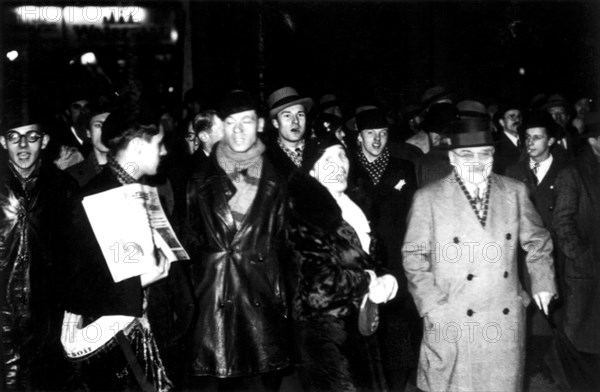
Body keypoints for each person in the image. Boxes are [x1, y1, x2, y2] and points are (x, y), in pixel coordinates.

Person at [402, 117, 556, 391]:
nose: (476, 161)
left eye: (484, 154)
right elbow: (414, 257)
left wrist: (542, 283)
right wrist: (432, 306)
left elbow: (538, 241)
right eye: (466, 154)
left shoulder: (515, 192)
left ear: (493, 156)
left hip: (503, 318)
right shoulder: (429, 198)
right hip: (452, 316)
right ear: (452, 157)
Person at [184, 90, 292, 391]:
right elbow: (188, 239)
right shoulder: (196, 178)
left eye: (246, 121)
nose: (239, 130)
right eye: (231, 122)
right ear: (221, 126)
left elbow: (290, 244)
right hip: (212, 303)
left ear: (260, 124)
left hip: (262, 299)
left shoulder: (281, 179)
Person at [62, 109, 176, 392]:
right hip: (115, 349)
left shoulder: (142, 189)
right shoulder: (92, 198)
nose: (164, 151)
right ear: (138, 146)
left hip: (149, 337)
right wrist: (141, 281)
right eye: (158, 143)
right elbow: (77, 285)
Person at [286, 131, 398, 391]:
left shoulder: (353, 207)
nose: (339, 164)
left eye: (342, 155)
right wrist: (369, 279)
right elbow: (318, 290)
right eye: (327, 159)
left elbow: (370, 261)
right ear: (311, 171)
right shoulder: (305, 216)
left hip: (361, 335)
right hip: (329, 342)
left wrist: (388, 279)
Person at [0, 113, 78, 390]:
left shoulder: (63, 188)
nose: (23, 145)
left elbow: (73, 255)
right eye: (14, 137)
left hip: (45, 318)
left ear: (44, 141)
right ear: (2, 141)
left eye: (31, 137)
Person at [347, 107, 419, 391]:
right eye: (370, 134)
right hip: (359, 264)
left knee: (398, 337)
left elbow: (414, 216)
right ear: (359, 137)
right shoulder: (349, 169)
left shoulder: (403, 168)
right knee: (362, 336)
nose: (376, 140)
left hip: (396, 263)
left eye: (382, 134)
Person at [505, 111, 567, 385]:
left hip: (560, 253)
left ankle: (550, 364)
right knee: (531, 317)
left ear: (551, 140)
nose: (530, 143)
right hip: (526, 254)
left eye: (538, 138)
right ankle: (533, 365)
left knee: (556, 315)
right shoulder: (513, 172)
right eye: (527, 138)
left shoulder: (566, 170)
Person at [551, 111, 600, 389]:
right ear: (593, 141)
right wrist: (582, 256)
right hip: (587, 273)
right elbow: (562, 220)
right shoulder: (574, 172)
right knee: (586, 341)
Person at [265, 86, 313, 179]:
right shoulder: (267, 160)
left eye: (300, 114)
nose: (295, 121)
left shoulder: (319, 149)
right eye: (287, 115)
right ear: (276, 123)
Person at [66, 101, 112, 187]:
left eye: (110, 124)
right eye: (98, 125)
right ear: (88, 132)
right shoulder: (71, 177)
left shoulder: (135, 167)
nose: (105, 131)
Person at [493, 103, 524, 174]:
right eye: (512, 117)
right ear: (502, 122)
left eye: (519, 116)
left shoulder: (527, 140)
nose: (517, 120)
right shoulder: (496, 146)